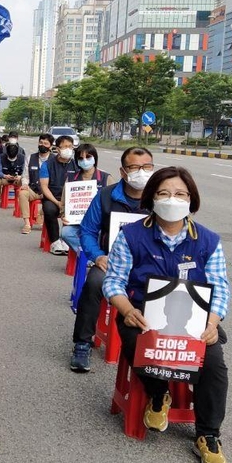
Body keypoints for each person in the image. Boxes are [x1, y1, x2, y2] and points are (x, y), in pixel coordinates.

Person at [103, 166, 231, 463]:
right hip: (143, 316)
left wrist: (212, 325)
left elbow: (220, 288)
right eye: (164, 193)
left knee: (213, 363)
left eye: (180, 194)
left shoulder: (208, 241)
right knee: (140, 344)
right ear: (151, 198)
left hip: (194, 322)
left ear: (191, 200)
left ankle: (208, 435)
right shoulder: (131, 236)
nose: (172, 199)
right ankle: (158, 393)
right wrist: (127, 310)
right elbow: (113, 283)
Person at [68, 147, 153, 373]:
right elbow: (86, 231)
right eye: (135, 168)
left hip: (149, 265)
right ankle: (82, 344)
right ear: (123, 172)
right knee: (95, 282)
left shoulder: (158, 198)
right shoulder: (106, 196)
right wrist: (97, 256)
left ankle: (155, 347)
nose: (142, 173)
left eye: (147, 167)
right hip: (112, 263)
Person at [59, 143, 113, 252]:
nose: (85, 160)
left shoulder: (106, 178)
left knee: (103, 236)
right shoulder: (71, 179)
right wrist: (64, 215)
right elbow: (64, 202)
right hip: (77, 223)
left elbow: (114, 203)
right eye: (81, 158)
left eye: (88, 157)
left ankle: (93, 255)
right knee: (65, 233)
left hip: (99, 223)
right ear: (77, 161)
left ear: (95, 158)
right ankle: (89, 255)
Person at [39, 135, 79, 255]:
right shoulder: (47, 164)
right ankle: (55, 241)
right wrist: (57, 202)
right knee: (49, 209)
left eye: (70, 147)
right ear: (57, 148)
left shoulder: (76, 165)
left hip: (71, 200)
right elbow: (44, 187)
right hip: (53, 198)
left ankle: (68, 240)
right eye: (65, 146)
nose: (68, 149)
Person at [17, 133, 54, 234]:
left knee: (54, 200)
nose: (42, 145)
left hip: (49, 191)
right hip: (34, 189)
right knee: (22, 193)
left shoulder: (54, 160)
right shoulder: (30, 158)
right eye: (41, 142)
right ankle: (27, 223)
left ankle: (40, 214)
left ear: (50, 146)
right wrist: (24, 184)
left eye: (46, 143)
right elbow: (25, 175)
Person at [0, 142, 25, 213]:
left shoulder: (22, 157)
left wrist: (20, 176)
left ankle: (21, 203)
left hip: (17, 180)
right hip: (5, 178)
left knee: (24, 180)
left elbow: (25, 172)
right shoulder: (1, 157)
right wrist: (5, 176)